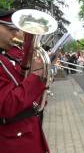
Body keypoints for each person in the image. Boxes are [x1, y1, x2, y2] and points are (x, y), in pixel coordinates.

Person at [0, 9, 49, 152]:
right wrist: (36, 75)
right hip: (13, 140)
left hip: (26, 131)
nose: (16, 33)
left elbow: (20, 87)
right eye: (10, 29)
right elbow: (7, 104)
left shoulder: (6, 57)